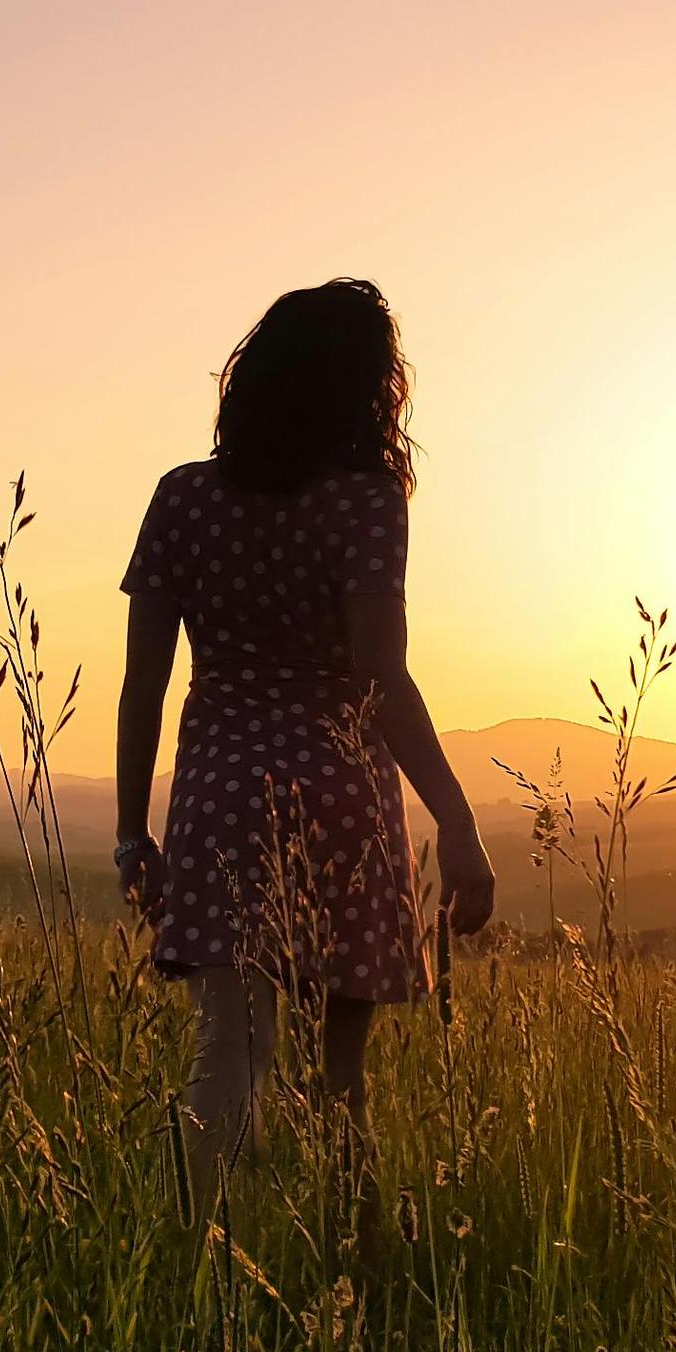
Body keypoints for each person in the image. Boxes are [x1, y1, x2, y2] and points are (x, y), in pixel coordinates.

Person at [114, 278, 495, 1160]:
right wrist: (459, 823)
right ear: (369, 390)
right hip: (341, 801)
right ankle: (343, 1272)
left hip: (219, 804)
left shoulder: (183, 498)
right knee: (338, 1087)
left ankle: (200, 1264)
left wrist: (134, 836)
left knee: (229, 1067)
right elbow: (382, 679)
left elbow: (144, 684)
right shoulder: (364, 502)